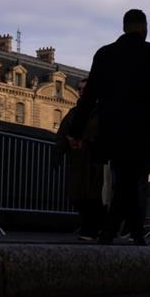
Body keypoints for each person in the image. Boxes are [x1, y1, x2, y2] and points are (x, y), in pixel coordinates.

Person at [68, 9, 150, 245]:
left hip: (112, 129)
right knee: (132, 182)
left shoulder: (105, 54)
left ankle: (117, 232)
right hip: (142, 131)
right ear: (144, 28)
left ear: (124, 27)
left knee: (123, 180)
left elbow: (89, 96)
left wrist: (76, 129)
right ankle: (125, 232)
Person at [56, 78, 105, 241]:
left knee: (92, 195)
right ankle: (92, 227)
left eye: (85, 88)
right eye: (79, 88)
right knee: (76, 196)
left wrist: (87, 141)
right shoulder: (73, 113)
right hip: (77, 160)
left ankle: (90, 229)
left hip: (95, 160)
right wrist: (64, 145)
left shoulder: (101, 112)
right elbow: (63, 132)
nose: (81, 91)